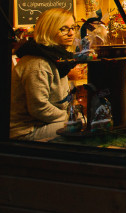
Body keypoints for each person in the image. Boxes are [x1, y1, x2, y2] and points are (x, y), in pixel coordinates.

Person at [10, 8, 86, 140]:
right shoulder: (38, 63)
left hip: (43, 123)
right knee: (82, 125)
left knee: (84, 121)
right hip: (27, 130)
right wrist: (69, 117)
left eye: (73, 27)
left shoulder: (54, 58)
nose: (71, 33)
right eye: (64, 28)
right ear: (49, 29)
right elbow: (39, 108)